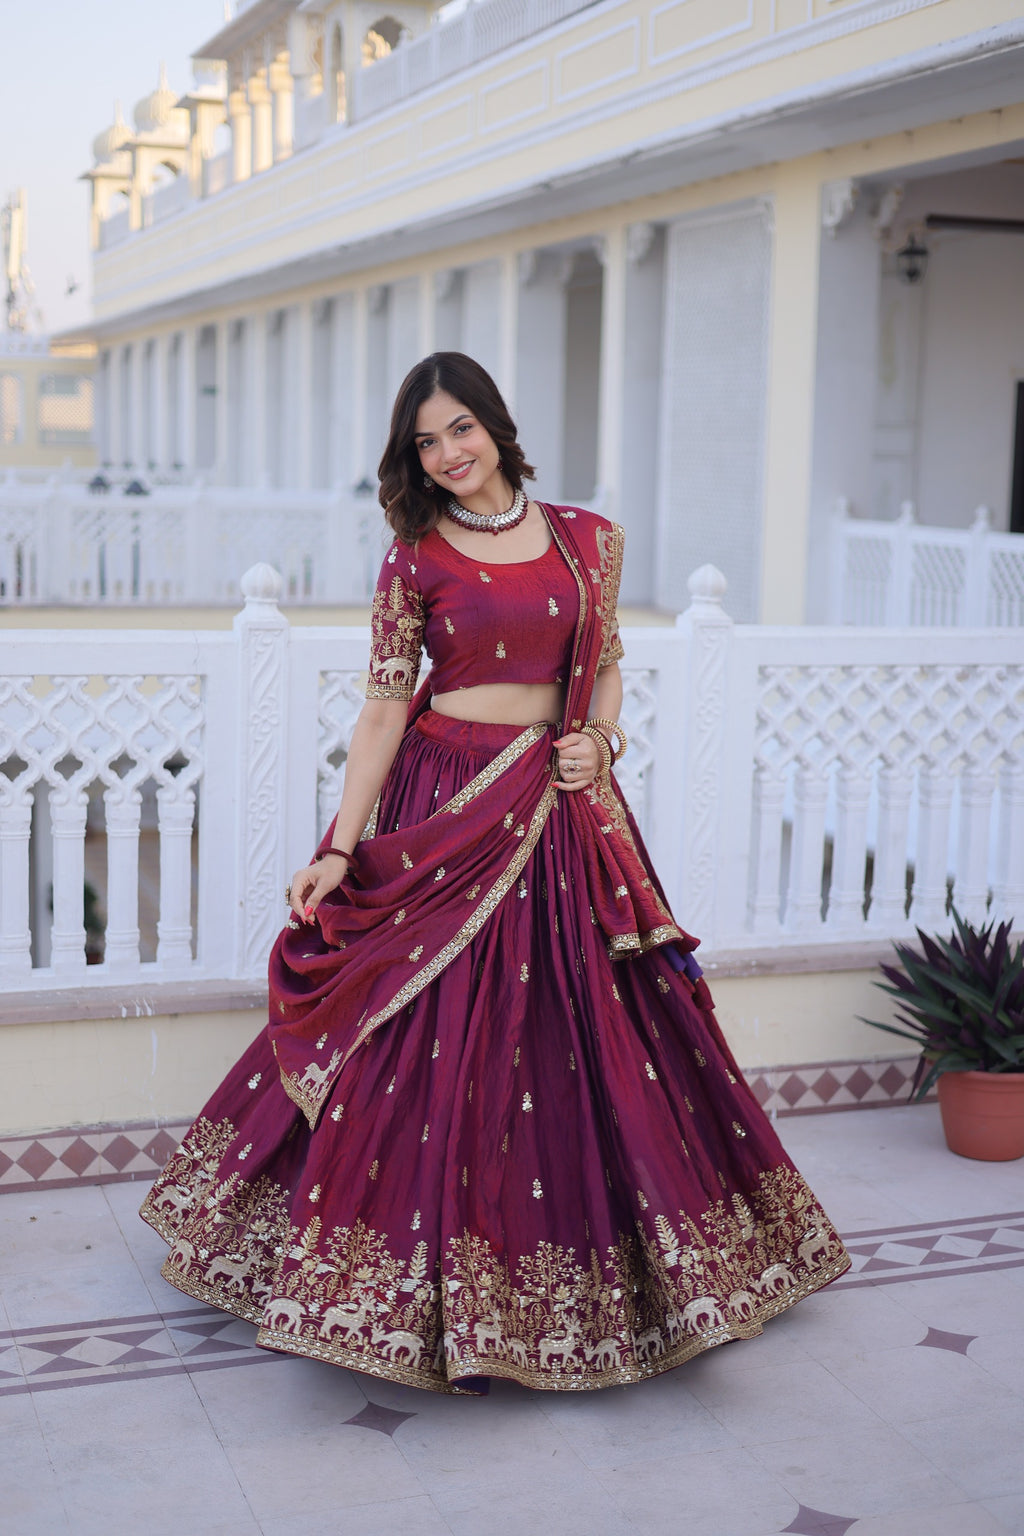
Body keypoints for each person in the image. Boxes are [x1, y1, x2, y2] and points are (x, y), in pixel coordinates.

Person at [141, 352, 849, 1395]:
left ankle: (609, 1281)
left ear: (495, 426)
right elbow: (385, 704)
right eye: (426, 441)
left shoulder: (585, 539)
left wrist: (599, 744)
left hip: (555, 809)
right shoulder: (412, 555)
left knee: (579, 1034)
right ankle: (377, 1285)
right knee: (410, 1032)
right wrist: (340, 846)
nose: (447, 453)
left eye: (460, 428)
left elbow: (603, 665)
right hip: (445, 807)